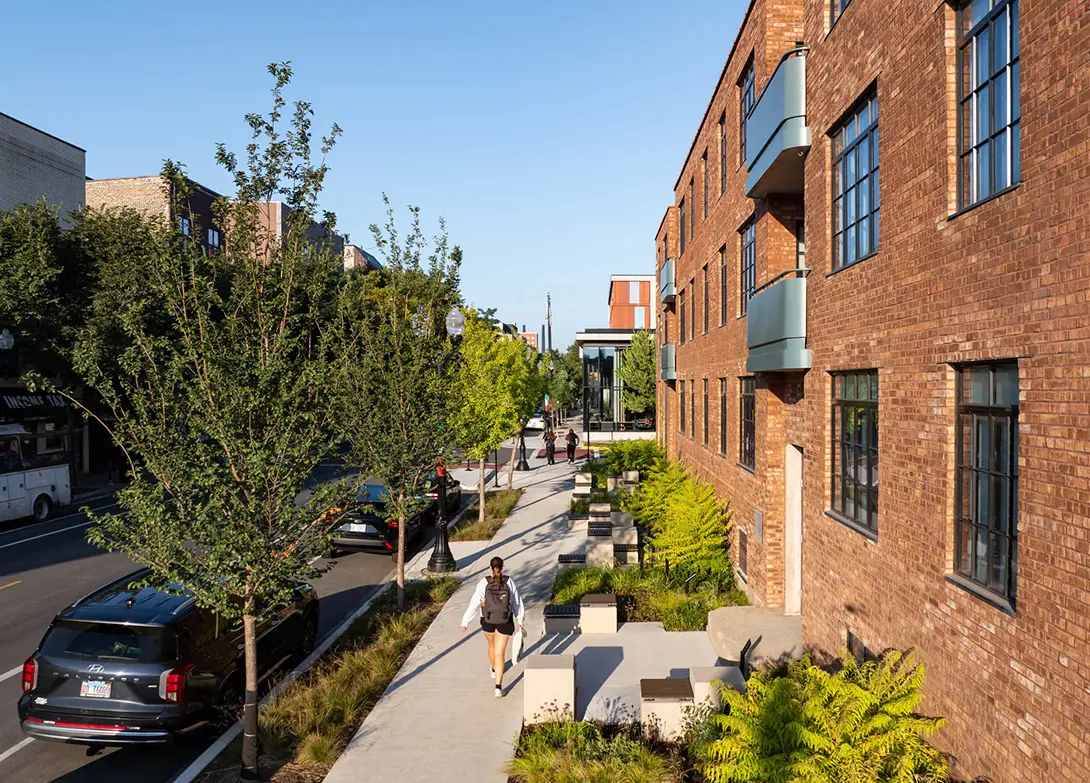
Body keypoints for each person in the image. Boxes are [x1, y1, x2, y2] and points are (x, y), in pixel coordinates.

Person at [460, 556, 525, 697]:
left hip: (487, 620)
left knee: (491, 646)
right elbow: (517, 602)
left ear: (490, 568)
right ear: (502, 567)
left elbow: (474, 603)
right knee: (500, 652)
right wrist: (520, 619)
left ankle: (494, 670)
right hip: (505, 620)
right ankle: (498, 687)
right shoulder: (509, 582)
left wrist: (465, 622)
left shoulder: (484, 583)